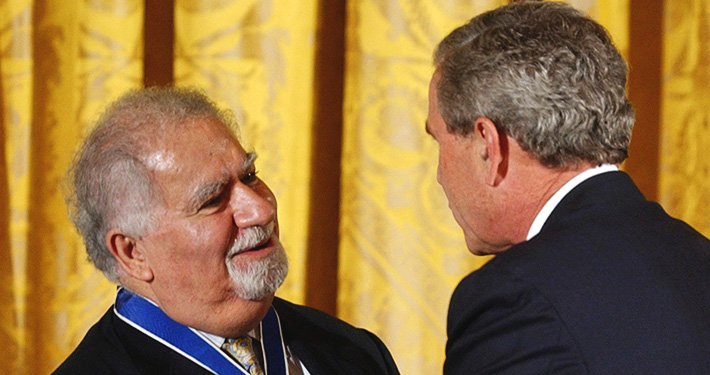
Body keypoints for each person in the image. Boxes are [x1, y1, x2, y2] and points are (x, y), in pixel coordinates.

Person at [426, 1, 710, 374]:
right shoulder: (697, 258)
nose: (440, 175)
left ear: (488, 146)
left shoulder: (518, 300)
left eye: (440, 142)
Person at [54, 87, 400, 375]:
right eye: (213, 199)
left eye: (250, 176)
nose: (261, 210)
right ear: (133, 252)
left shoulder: (357, 354)